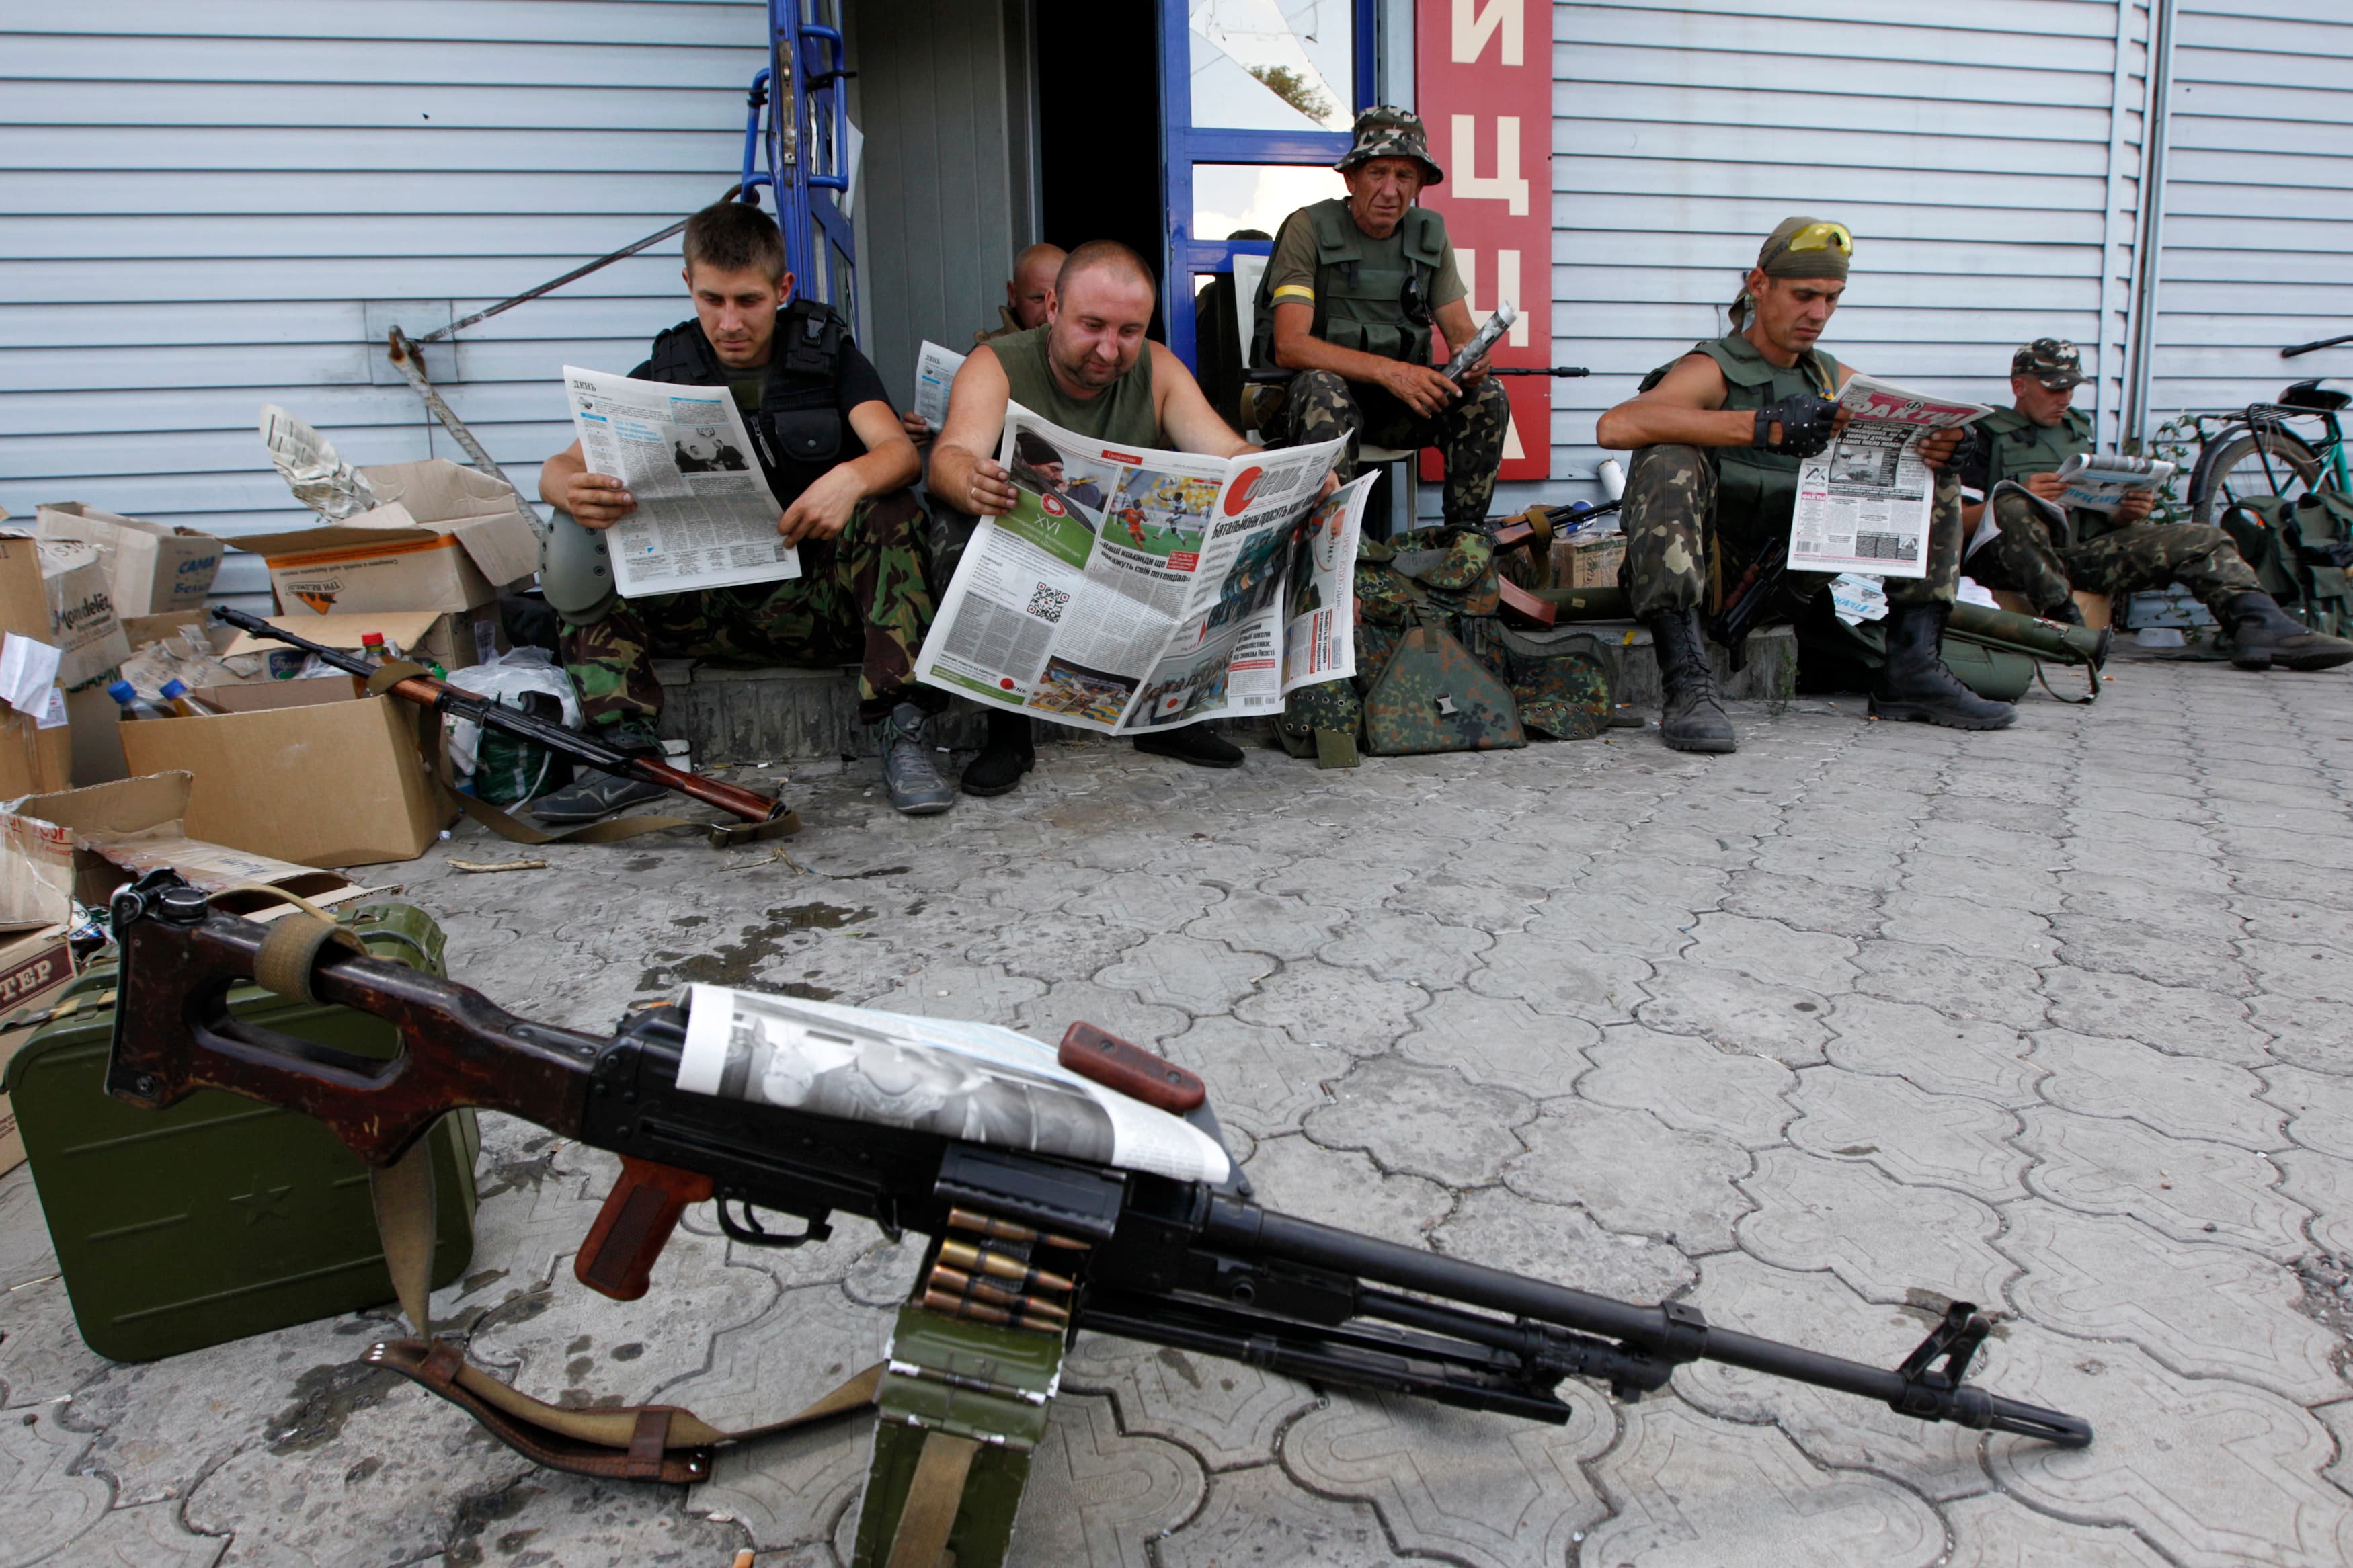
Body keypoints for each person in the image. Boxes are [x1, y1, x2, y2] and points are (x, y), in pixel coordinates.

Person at [535, 199, 955, 819]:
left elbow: (898, 453)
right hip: (702, 605)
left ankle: (903, 728)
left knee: (890, 509)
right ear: (689, 287)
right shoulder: (664, 368)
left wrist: (849, 478)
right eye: (712, 300)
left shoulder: (829, 359)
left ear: (783, 289)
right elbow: (560, 467)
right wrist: (570, 491)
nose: (729, 322)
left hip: (818, 608)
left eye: (749, 301)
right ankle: (627, 751)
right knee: (575, 532)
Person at [1594, 216, 2010, 753]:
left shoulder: (1829, 377)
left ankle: (1912, 669)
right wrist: (1762, 425)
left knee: (1930, 466)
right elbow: (1617, 426)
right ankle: (1688, 684)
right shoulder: (1714, 367)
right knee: (1669, 457)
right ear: (1759, 284)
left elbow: (1914, 428)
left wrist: (1946, 445)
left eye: (1832, 298)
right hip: (1709, 580)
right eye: (1804, 295)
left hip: (1791, 580)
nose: (1818, 314)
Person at [932, 239, 1288, 787]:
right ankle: (1008, 730)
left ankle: (1162, 717)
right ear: (1052, 308)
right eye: (1092, 325)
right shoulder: (997, 364)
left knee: (1223, 532)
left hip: (1126, 567)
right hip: (1038, 555)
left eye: (1128, 332)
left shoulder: (1159, 369)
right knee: (955, 533)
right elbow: (950, 456)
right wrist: (972, 481)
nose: (1108, 350)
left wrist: (1290, 471)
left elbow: (1229, 453)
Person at [1961, 338, 2353, 672]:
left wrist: (2123, 512)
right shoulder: (1984, 433)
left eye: (2071, 389)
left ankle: (2261, 627)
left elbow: (2094, 514)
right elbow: (1954, 523)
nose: (2065, 399)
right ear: (2020, 386)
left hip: (2070, 558)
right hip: (2004, 562)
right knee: (2015, 506)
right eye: (2054, 388)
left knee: (2202, 538)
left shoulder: (2075, 430)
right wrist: (2016, 493)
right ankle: (2068, 628)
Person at [1252, 106, 1511, 530]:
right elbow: (1290, 343)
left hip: (1394, 409)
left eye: (1405, 176)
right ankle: (1333, 552)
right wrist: (1390, 372)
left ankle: (1460, 548)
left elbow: (1462, 332)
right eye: (1378, 173)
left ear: (1419, 185)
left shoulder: (1430, 235)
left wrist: (1473, 357)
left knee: (1488, 396)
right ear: (1351, 178)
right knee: (1323, 388)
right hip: (1308, 406)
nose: (1391, 190)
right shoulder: (1309, 228)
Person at [900, 243, 1068, 446]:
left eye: (1060, 299)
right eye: (1038, 299)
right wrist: (921, 429)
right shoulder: (988, 356)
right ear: (1013, 294)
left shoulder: (1087, 352)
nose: (1050, 309)